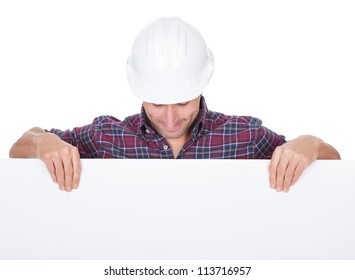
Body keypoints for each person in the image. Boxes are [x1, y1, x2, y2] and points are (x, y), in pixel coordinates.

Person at [9, 17, 340, 193]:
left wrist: (312, 143)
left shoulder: (245, 135)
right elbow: (18, 149)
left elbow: (333, 165)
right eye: (156, 103)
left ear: (201, 85)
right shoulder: (106, 136)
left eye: (182, 102)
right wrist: (42, 141)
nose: (169, 119)